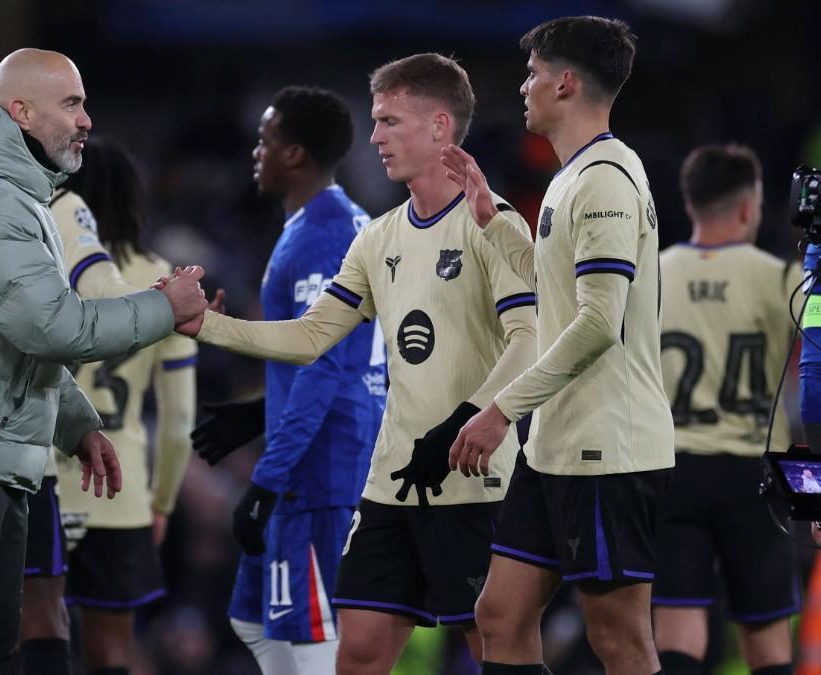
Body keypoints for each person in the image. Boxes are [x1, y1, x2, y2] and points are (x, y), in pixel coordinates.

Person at [174, 54, 537, 675]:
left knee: (495, 648)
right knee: (361, 652)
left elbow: (529, 339)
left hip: (472, 480)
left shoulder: (491, 223)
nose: (373, 138)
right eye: (374, 122)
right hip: (391, 482)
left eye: (390, 121)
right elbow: (314, 335)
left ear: (440, 127)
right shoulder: (377, 237)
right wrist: (206, 324)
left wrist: (480, 420)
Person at [0, 48, 207, 674]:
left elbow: (19, 342)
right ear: (21, 111)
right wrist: (163, 308)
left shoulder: (12, 197)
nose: (86, 120)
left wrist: (76, 425)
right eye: (72, 103)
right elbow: (54, 327)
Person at [441, 16, 673, 674]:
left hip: (608, 446)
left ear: (565, 83)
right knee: (501, 616)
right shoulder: (577, 176)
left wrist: (500, 408)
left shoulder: (604, 180)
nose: (524, 86)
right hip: (557, 447)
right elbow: (560, 291)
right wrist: (493, 220)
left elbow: (599, 321)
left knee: (619, 638)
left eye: (533, 73)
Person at [190, 85, 386, 675]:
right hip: (318, 453)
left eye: (265, 140)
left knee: (313, 646)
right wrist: (259, 412)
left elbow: (323, 363)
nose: (256, 152)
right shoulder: (335, 223)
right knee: (253, 620)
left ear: (295, 154)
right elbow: (337, 354)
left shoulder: (324, 236)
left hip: (321, 472)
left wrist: (267, 481)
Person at [54, 138, 199, 675]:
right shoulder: (168, 281)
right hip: (122, 491)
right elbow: (180, 420)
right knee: (111, 657)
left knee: (29, 640)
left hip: (46, 482)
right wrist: (161, 503)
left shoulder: (44, 267)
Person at [652, 144, 798, 675]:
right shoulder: (782, 279)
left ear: (691, 204)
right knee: (766, 636)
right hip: (752, 475)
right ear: (747, 207)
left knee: (678, 633)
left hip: (672, 469)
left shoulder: (652, 274)